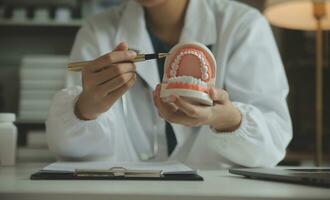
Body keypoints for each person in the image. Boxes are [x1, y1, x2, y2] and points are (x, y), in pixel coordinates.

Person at [46, 0, 292, 168]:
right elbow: (66, 150)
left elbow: (274, 140)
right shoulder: (97, 30)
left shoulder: (243, 25)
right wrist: (86, 108)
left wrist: (228, 120)